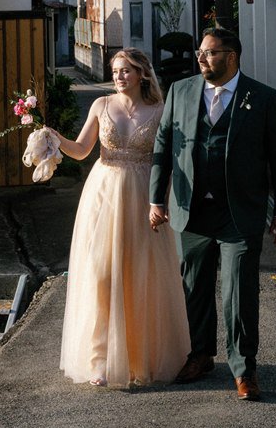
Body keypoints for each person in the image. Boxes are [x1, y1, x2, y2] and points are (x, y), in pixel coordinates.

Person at [149, 26, 276, 401]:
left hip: (239, 213)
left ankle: (245, 370)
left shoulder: (262, 97)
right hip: (191, 210)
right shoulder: (180, 91)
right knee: (194, 288)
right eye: (200, 51)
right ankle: (200, 356)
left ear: (231, 57)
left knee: (239, 291)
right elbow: (164, 145)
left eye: (210, 53)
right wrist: (156, 199)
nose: (201, 58)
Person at [46, 49, 192, 387]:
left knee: (141, 274)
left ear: (141, 73)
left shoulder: (159, 110)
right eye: (115, 71)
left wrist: (163, 200)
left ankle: (141, 357)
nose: (119, 76)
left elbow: (167, 158)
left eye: (126, 70)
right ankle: (100, 359)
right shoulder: (101, 106)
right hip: (103, 194)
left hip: (144, 196)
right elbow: (82, 150)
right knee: (101, 272)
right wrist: (54, 138)